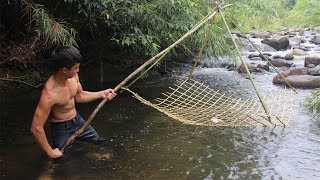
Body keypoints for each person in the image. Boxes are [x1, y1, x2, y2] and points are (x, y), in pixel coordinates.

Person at [31, 46, 116, 158]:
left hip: (78, 120)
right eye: (76, 68)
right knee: (61, 159)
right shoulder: (49, 95)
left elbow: (79, 96)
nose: (78, 71)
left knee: (98, 142)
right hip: (61, 128)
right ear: (64, 70)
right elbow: (36, 127)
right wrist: (50, 151)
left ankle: (92, 156)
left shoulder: (73, 77)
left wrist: (101, 94)